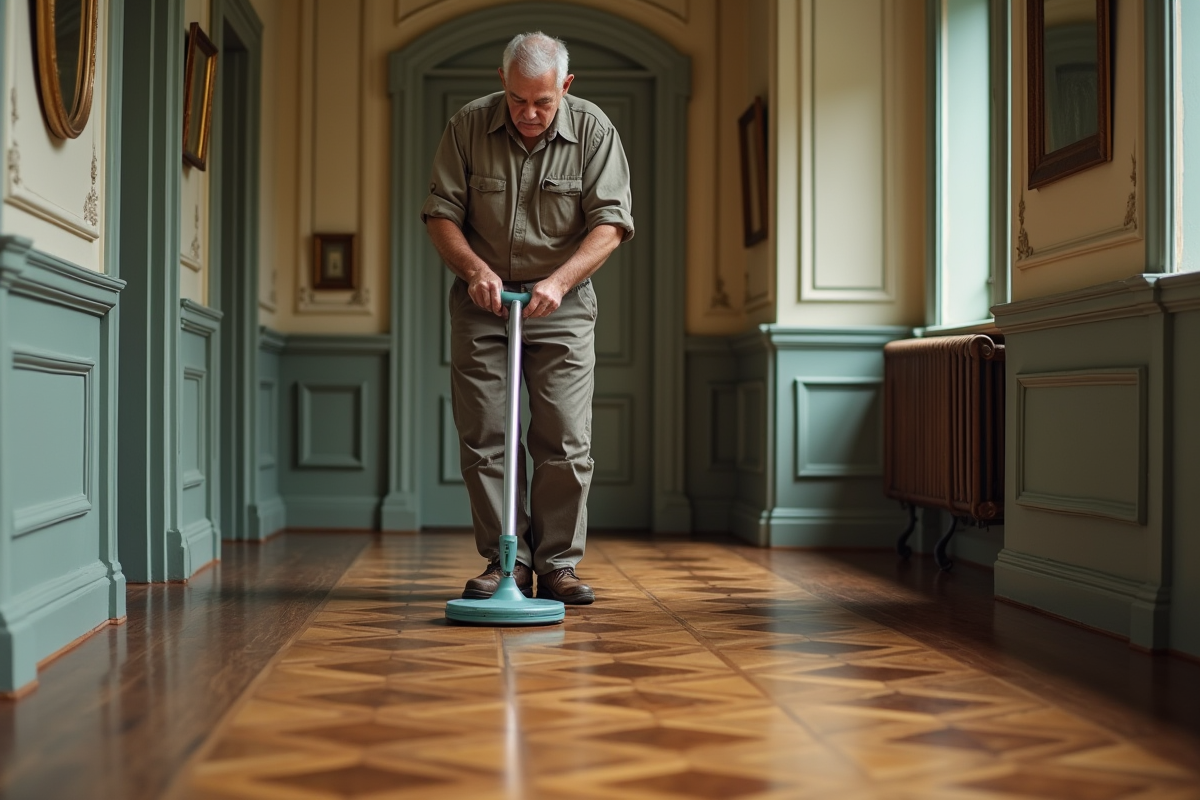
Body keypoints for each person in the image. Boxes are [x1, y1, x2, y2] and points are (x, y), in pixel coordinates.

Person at [421, 31, 634, 605]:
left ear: (566, 86)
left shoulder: (594, 131)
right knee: (486, 436)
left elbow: (611, 224)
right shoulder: (468, 126)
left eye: (543, 101)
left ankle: (558, 564)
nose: (530, 113)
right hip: (482, 303)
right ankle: (506, 564)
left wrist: (558, 282)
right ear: (502, 82)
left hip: (561, 304)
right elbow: (441, 213)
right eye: (518, 99)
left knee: (564, 437)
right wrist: (474, 269)